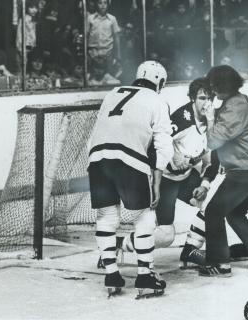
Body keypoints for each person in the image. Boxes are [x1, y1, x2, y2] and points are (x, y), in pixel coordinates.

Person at [181, 65, 248, 277]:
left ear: (223, 87)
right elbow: (223, 120)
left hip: (246, 171)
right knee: (235, 213)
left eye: (215, 89)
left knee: (214, 212)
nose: (213, 93)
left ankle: (220, 264)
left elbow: (214, 140)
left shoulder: (236, 107)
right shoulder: (235, 101)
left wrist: (208, 118)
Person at [88, 60, 173, 298]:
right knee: (145, 217)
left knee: (106, 217)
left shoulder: (112, 93)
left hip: (97, 158)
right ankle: (145, 277)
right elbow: (163, 145)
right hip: (130, 159)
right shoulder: (157, 100)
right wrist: (156, 180)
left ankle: (112, 274)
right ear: (160, 82)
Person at [116, 77, 220, 255]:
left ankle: (189, 251)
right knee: (165, 236)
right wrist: (171, 155)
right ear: (193, 99)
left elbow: (213, 158)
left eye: (211, 98)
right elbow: (153, 145)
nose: (207, 103)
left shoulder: (213, 122)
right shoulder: (181, 119)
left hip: (186, 178)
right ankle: (119, 244)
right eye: (202, 98)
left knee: (213, 206)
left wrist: (204, 185)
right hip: (164, 181)